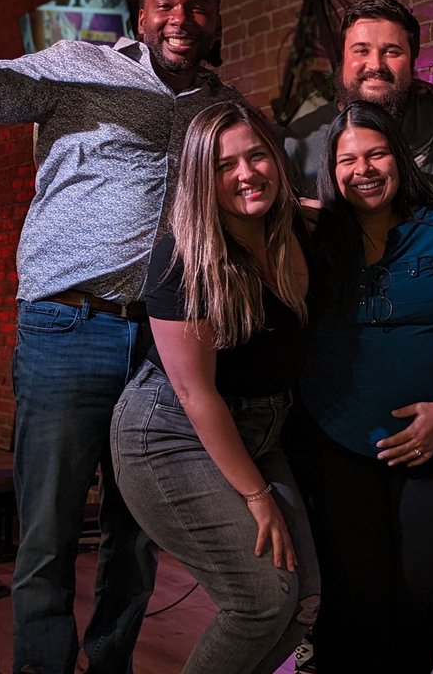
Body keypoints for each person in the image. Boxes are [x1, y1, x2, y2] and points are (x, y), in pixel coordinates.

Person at [0, 0, 244, 673]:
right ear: (142, 17)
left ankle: (111, 663)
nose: (181, 17)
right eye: (165, 4)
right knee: (48, 531)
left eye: (197, 5)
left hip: (166, 342)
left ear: (217, 21)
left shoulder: (221, 113)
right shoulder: (78, 64)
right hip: (66, 325)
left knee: (138, 531)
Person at [291, 100, 433, 673]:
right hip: (338, 450)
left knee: (419, 610)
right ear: (330, 171)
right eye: (347, 160)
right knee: (353, 607)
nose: (363, 169)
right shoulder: (315, 243)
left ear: (400, 158)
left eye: (376, 153)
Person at [110, 101, 319, 672]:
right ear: (202, 177)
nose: (246, 173)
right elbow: (196, 396)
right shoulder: (184, 259)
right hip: (170, 435)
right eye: (225, 165)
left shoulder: (299, 228)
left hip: (260, 427)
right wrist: (258, 498)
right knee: (260, 599)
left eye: (256, 156)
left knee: (307, 600)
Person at [284, 0, 433, 197]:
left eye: (391, 52)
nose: (376, 65)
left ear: (412, 61)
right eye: (361, 51)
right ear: (342, 58)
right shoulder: (299, 143)